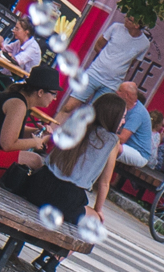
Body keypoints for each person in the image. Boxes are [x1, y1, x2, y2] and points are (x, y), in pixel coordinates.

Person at [13, 91, 125, 228]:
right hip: (67, 199)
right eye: (123, 117)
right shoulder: (112, 141)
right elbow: (104, 183)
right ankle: (58, 250)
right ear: (113, 117)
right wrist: (98, 210)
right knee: (95, 221)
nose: (124, 121)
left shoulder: (75, 123)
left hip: (39, 185)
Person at [0, 62, 60, 180]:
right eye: (54, 94)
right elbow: (8, 144)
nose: (55, 98)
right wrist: (35, 142)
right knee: (35, 160)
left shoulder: (17, 99)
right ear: (40, 92)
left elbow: (7, 129)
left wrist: (35, 131)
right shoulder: (18, 104)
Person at [63, 15, 151, 107]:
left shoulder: (145, 44)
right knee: (70, 106)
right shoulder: (116, 27)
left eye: (129, 19)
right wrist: (105, 60)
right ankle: (56, 121)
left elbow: (132, 63)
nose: (125, 19)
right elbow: (98, 45)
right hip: (94, 73)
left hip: (112, 83)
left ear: (137, 25)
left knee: (93, 114)